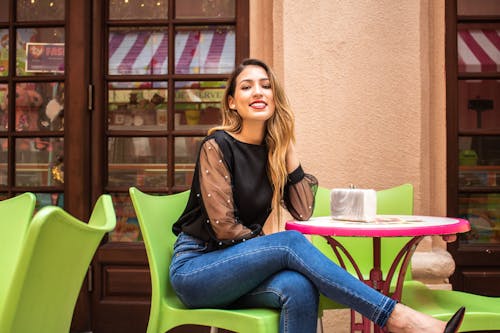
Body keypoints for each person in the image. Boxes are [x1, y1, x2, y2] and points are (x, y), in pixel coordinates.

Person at [170, 58, 465, 333]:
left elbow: (302, 209)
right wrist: (274, 251)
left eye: (266, 85)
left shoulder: (273, 153)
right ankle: (397, 317)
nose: (258, 92)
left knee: (299, 287)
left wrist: (286, 145)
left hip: (237, 270)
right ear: (232, 103)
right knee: (290, 243)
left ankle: (398, 318)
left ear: (275, 98)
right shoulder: (217, 145)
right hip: (198, 270)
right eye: (247, 87)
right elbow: (224, 228)